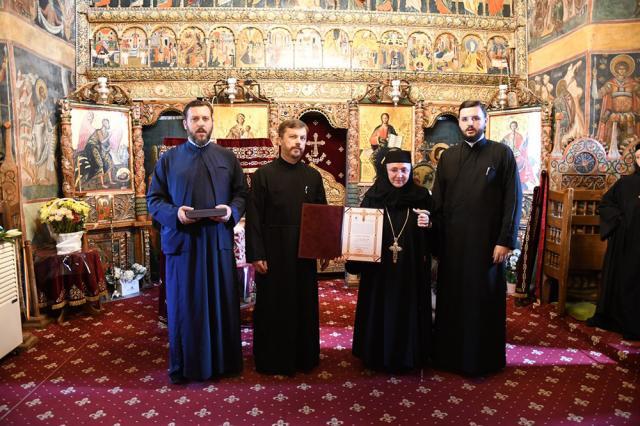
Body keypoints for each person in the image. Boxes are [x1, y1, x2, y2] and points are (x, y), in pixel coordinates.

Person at [147, 99, 247, 384]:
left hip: (217, 244)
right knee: (185, 307)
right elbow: (154, 201)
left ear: (213, 121)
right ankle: (187, 366)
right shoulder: (169, 159)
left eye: (205, 118)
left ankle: (224, 364)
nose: (201, 124)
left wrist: (231, 211)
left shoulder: (227, 159)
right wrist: (175, 213)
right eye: (195, 119)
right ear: (185, 123)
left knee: (222, 304)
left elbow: (241, 195)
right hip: (184, 245)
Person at [431, 100, 522, 376]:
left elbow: (512, 200)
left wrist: (505, 240)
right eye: (465, 119)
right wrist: (436, 242)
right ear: (459, 123)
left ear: (484, 121)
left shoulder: (501, 154)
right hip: (453, 245)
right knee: (452, 300)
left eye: (475, 119)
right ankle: (449, 358)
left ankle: (483, 361)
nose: (470, 124)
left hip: (487, 245)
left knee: (482, 302)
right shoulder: (448, 157)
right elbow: (438, 201)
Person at [246, 119, 328, 376]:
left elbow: (323, 215)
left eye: (302, 138)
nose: (298, 143)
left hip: (304, 254)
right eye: (293, 137)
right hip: (273, 254)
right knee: (273, 307)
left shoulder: (313, 177)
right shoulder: (263, 175)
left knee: (303, 304)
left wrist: (325, 248)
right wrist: (256, 253)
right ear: (279, 139)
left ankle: (304, 357)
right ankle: (273, 359)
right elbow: (254, 217)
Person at [346, 148, 433, 373]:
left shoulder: (422, 196)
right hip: (379, 271)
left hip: (411, 269)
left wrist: (429, 223)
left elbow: (437, 231)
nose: (399, 175)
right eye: (394, 170)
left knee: (409, 309)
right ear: (385, 171)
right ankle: (375, 355)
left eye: (404, 170)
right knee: (379, 307)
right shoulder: (373, 197)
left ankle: (409, 355)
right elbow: (358, 231)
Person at [587, 144, 640, 340]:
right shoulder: (625, 184)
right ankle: (621, 320)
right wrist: (619, 220)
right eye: (638, 156)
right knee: (624, 278)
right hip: (626, 242)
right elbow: (606, 203)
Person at [81, 118, 114, 189]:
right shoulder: (99, 131)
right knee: (100, 164)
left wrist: (107, 149)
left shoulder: (107, 133)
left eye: (108, 123)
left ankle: (110, 180)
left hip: (99, 148)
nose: (108, 125)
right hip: (91, 147)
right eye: (107, 123)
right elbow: (102, 141)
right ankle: (102, 184)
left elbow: (103, 145)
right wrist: (109, 136)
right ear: (104, 123)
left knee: (109, 160)